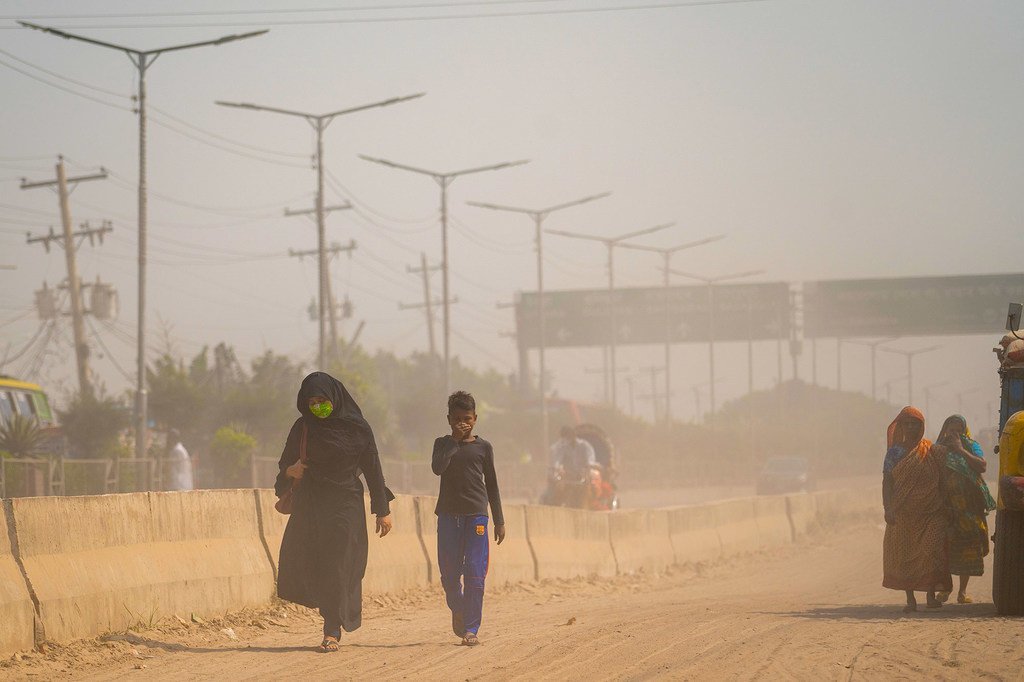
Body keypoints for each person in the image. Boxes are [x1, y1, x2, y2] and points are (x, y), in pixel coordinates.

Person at [274, 371, 393, 653]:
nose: (318, 406)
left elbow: (374, 469)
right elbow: (284, 466)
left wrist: (382, 509)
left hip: (345, 505)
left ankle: (331, 628)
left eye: (322, 400)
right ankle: (329, 616)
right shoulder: (302, 428)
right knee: (315, 562)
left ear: (335, 398)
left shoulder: (358, 429)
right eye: (311, 401)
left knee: (339, 564)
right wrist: (290, 471)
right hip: (311, 505)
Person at [431, 390, 505, 647]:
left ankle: (471, 628)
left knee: (475, 573)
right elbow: (437, 468)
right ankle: (458, 608)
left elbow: (492, 485)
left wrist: (499, 519)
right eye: (457, 418)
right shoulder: (442, 444)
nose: (463, 423)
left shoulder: (484, 447)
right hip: (449, 517)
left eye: (467, 418)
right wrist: (454, 441)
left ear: (475, 418)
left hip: (476, 517)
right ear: (449, 419)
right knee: (450, 574)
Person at [882, 406, 953, 612]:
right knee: (905, 555)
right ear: (901, 426)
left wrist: (948, 505)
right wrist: (888, 508)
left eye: (915, 424)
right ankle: (910, 600)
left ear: (922, 427)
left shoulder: (931, 450)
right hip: (903, 513)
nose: (911, 428)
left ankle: (931, 595)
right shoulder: (894, 453)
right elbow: (887, 482)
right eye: (907, 424)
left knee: (931, 551)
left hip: (932, 512)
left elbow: (943, 479)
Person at [934, 414, 995, 604]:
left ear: (964, 431)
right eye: (951, 429)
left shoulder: (971, 446)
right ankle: (945, 589)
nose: (954, 432)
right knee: (945, 548)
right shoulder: (937, 449)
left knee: (968, 548)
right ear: (945, 429)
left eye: (958, 429)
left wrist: (960, 450)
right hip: (946, 507)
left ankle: (962, 591)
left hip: (969, 508)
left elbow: (982, 466)